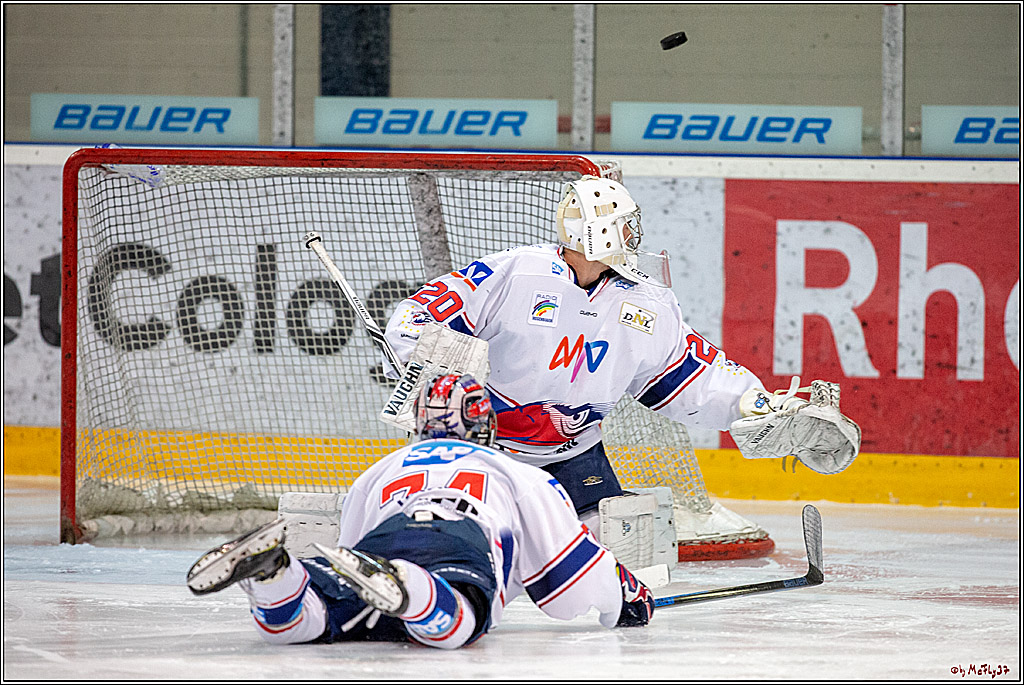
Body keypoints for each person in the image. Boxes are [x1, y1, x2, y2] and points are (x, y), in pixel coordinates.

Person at [384, 175, 860, 533]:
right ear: (599, 231)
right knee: (454, 546)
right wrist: (445, 364)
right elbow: (412, 319)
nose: (634, 234)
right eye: (625, 225)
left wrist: (755, 403)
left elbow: (688, 371)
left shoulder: (647, 300)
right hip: (482, 454)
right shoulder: (513, 274)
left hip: (574, 456)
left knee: (629, 556)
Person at [186, 373, 655, 650]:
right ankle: (416, 590)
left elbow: (353, 554)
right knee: (458, 624)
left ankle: (278, 579)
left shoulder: (379, 470)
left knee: (311, 620)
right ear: (485, 423)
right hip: (457, 539)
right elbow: (568, 588)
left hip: (384, 539)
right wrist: (625, 595)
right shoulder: (517, 473)